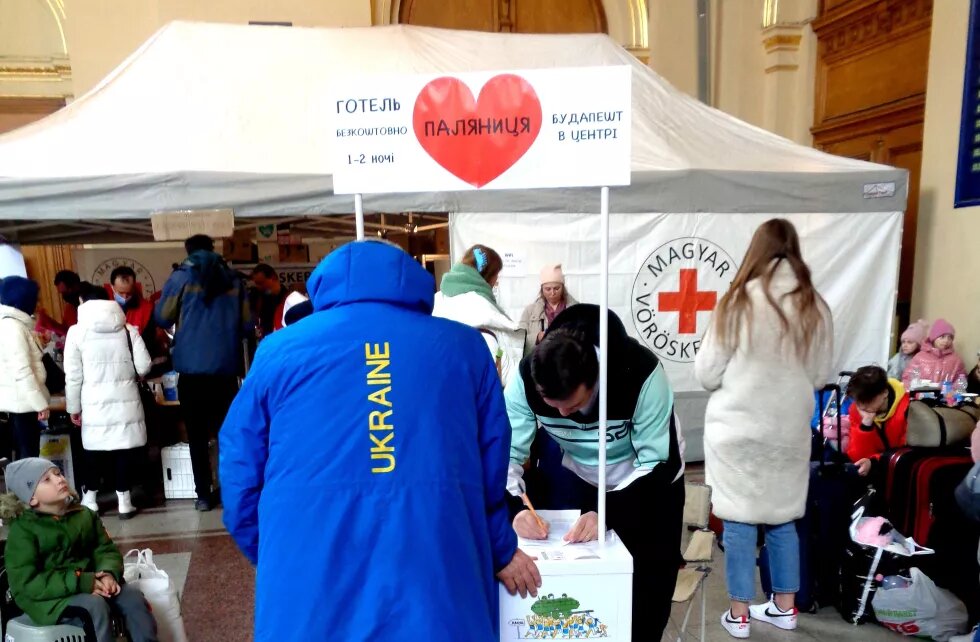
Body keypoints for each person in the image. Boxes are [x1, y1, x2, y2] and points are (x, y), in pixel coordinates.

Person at [219, 240, 540, 641]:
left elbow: (238, 474)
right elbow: (493, 461)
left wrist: (281, 549)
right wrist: (498, 546)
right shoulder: (464, 347)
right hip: (435, 564)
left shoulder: (279, 351)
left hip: (309, 576)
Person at [505, 303, 685, 642]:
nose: (562, 415)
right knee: (584, 595)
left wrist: (608, 511)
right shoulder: (526, 377)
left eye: (572, 407)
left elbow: (658, 464)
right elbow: (506, 456)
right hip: (585, 473)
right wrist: (515, 509)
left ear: (595, 380)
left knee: (644, 603)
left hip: (650, 481)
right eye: (552, 406)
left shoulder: (641, 373)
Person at [695, 218, 832, 639]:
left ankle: (738, 615)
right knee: (782, 519)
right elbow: (821, 373)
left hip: (736, 433)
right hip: (787, 431)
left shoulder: (736, 301)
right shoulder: (815, 305)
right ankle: (785, 608)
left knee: (738, 522)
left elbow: (707, 372)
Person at [0, 458, 157, 642]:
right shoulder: (23, 531)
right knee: (93, 607)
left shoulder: (84, 515)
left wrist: (108, 574)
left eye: (57, 473)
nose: (59, 479)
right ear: (32, 498)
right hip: (48, 599)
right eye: (47, 480)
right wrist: (83, 582)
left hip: (89, 582)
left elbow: (105, 549)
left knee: (132, 598)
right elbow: (28, 583)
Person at [155, 234, 250, 511]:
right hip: (225, 370)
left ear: (188, 251)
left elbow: (162, 316)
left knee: (196, 435)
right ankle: (232, 492)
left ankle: (203, 496)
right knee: (228, 434)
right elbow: (246, 326)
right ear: (212, 249)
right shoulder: (234, 280)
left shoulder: (180, 278)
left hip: (191, 371)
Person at [64, 298, 152, 519]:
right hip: (126, 400)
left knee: (94, 450)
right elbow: (144, 365)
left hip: (93, 404)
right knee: (123, 449)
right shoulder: (127, 330)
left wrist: (73, 407)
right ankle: (124, 501)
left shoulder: (76, 332)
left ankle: (91, 499)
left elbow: (73, 376)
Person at [433, 245, 524, 385]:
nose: (496, 282)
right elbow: (505, 371)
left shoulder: (437, 300)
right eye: (496, 275)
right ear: (488, 277)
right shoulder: (481, 308)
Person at [0, 276, 50, 459]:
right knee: (29, 459)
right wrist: (40, 404)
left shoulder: (13, 325)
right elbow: (21, 370)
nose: (37, 304)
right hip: (22, 404)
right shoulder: (12, 328)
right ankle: (29, 489)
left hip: (20, 401)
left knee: (27, 457)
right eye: (35, 299)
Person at [845, 365, 909, 478]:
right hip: (874, 470)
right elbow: (857, 457)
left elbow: (906, 453)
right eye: (858, 400)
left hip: (901, 471)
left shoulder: (907, 408)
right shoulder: (856, 409)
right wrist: (866, 425)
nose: (862, 406)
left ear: (885, 393)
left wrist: (874, 462)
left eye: (868, 400)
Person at [519, 264, 578, 356]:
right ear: (542, 289)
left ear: (563, 287)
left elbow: (585, 337)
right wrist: (537, 337)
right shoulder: (530, 311)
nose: (552, 293)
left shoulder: (576, 309)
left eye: (556, 288)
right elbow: (518, 340)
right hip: (538, 363)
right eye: (548, 289)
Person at [902, 318, 968, 388]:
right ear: (934, 337)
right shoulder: (919, 357)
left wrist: (951, 392)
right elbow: (907, 378)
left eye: (950, 338)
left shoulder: (956, 360)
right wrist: (917, 394)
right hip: (921, 397)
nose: (946, 341)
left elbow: (961, 380)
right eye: (942, 337)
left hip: (947, 397)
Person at [249, 263, 288, 337]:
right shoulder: (259, 298)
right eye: (256, 284)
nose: (259, 287)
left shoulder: (288, 299)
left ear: (273, 278)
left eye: (261, 283)